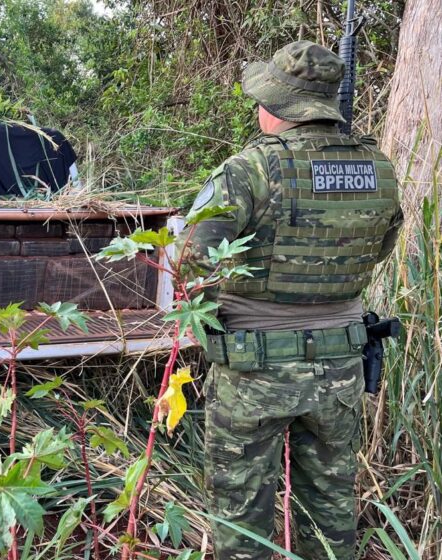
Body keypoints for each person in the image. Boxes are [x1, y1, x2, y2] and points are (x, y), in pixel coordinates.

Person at [174, 41, 403, 559]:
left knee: (241, 513)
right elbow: (380, 248)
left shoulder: (249, 170)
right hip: (340, 366)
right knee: (330, 505)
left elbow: (190, 261)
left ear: (276, 106)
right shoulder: (378, 167)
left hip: (255, 370)